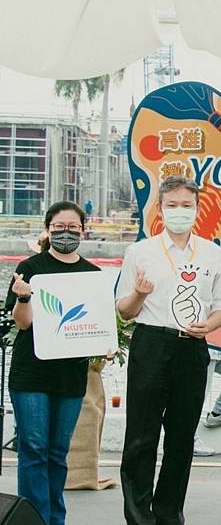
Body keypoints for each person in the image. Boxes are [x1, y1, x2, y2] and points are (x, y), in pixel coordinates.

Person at [116, 175, 221, 525]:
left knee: (182, 438)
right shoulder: (140, 252)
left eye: (187, 205)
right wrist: (139, 293)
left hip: (192, 347)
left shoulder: (212, 253)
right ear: (160, 208)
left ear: (197, 208)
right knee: (141, 436)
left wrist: (210, 325)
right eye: (172, 205)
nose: (179, 211)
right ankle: (139, 517)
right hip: (151, 343)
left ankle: (169, 514)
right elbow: (124, 311)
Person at [6, 201, 100, 525]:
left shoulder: (93, 275)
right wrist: (23, 297)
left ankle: (55, 519)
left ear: (83, 231)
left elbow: (98, 325)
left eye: (73, 227)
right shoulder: (30, 267)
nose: (66, 233)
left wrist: (105, 345)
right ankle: (34, 519)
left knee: (58, 452)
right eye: (59, 227)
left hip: (70, 376)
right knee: (34, 449)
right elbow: (22, 323)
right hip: (31, 373)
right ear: (48, 229)